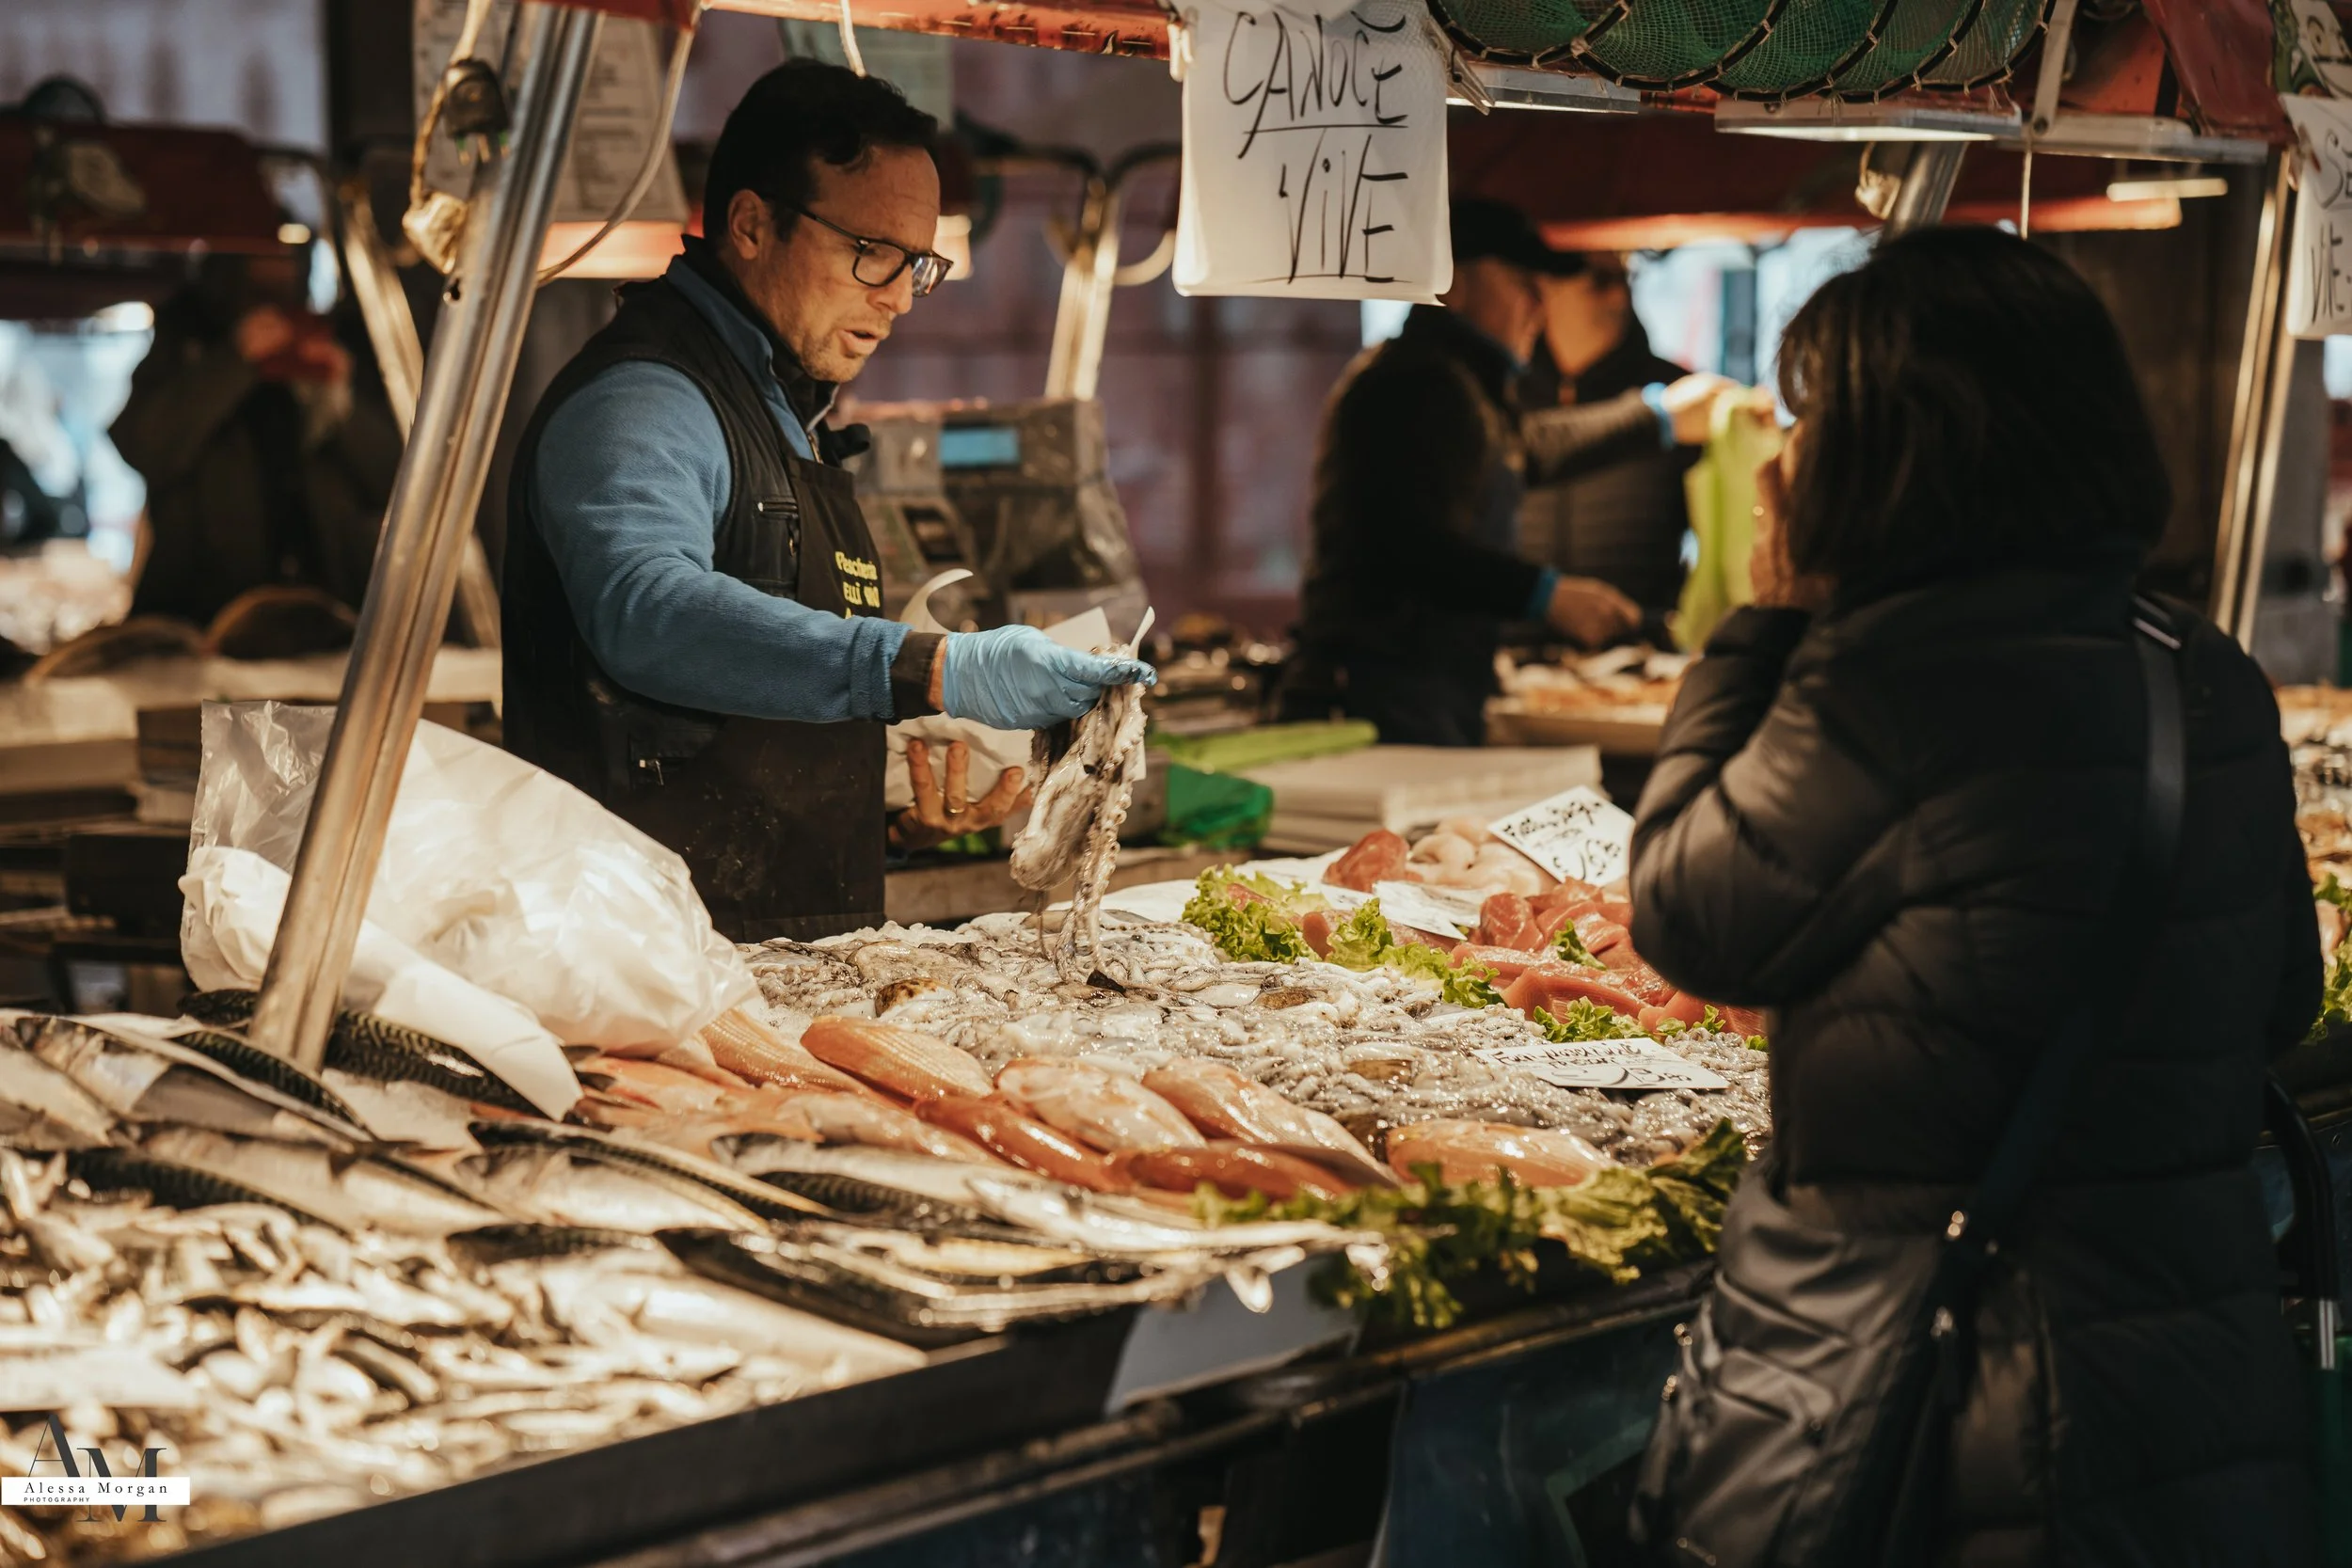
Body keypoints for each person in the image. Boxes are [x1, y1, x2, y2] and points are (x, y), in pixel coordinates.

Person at [1629, 228, 2314, 1560]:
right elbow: (2281, 993)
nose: (1789, 453)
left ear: (1899, 441)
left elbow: (1688, 911)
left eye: (1812, 418)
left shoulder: (1892, 676)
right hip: (2199, 1392)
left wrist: (1763, 619)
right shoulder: (2203, 669)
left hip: (1963, 1407)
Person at [502, 60, 1152, 942]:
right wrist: (933, 667)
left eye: (915, 264)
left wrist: (882, 812)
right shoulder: (647, 398)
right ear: (750, 224)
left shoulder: (787, 410)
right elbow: (647, 610)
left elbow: (739, 720)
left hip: (777, 946)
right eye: (870, 252)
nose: (895, 298)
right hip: (641, 956)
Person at [1283, 199, 1728, 746]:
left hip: (1423, 688)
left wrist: (1658, 415)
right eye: (1522, 282)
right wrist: (1546, 594)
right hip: (1377, 693)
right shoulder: (1415, 383)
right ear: (1453, 285)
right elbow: (1410, 545)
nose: (1538, 306)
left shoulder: (1457, 381)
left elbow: (1524, 447)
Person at [111, 246, 401, 634]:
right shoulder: (186, 338)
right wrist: (234, 359)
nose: (276, 274)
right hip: (201, 619)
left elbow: (395, 481)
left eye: (289, 258)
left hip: (326, 617)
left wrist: (340, 399)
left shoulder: (337, 342)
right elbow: (146, 446)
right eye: (263, 260)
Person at [1518, 251, 1701, 624]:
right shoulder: (1498, 398)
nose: (1620, 297)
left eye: (1625, 279)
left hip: (1639, 653)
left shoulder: (1681, 395)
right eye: (1600, 282)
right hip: (1509, 655)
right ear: (1545, 289)